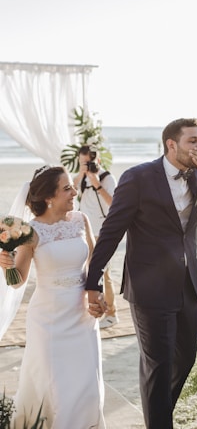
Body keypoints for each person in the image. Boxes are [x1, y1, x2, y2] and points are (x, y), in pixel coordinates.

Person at [85, 117, 197, 429]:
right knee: (158, 364)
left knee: (185, 360)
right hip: (149, 287)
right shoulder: (138, 178)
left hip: (189, 284)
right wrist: (93, 281)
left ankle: (158, 415)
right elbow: (112, 231)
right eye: (193, 141)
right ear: (171, 145)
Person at [0, 165, 105, 429]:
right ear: (49, 197)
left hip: (82, 316)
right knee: (56, 384)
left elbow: (95, 261)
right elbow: (19, 281)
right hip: (48, 320)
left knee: (86, 383)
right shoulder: (31, 232)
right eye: (67, 188)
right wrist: (8, 266)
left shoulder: (82, 220)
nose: (74, 192)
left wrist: (98, 293)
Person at [73, 145, 118, 328]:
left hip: (102, 231)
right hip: (84, 230)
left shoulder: (107, 178)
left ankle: (112, 314)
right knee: (85, 272)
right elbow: (71, 191)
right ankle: (93, 309)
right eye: (82, 163)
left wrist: (97, 183)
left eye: (89, 162)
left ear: (97, 160)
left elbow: (114, 204)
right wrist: (81, 175)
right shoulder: (81, 178)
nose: (86, 165)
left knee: (103, 272)